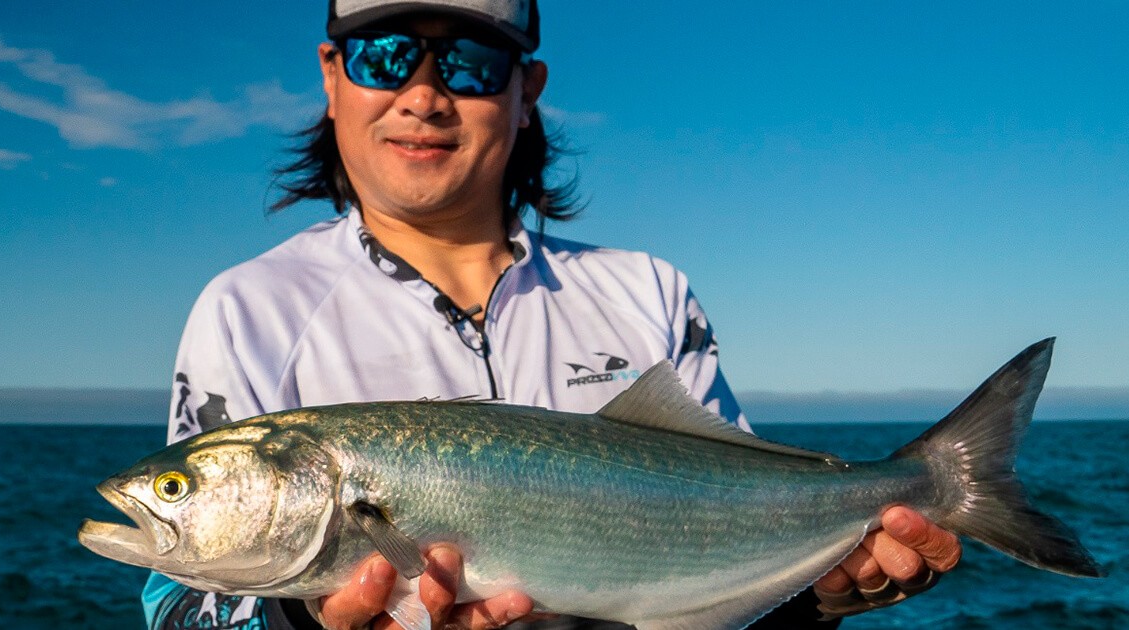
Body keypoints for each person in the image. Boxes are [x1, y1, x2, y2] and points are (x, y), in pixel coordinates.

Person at [144, 1, 962, 628]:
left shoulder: (649, 292)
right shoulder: (249, 310)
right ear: (332, 76)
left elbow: (731, 576)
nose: (423, 95)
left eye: (467, 62)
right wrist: (304, 619)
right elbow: (178, 607)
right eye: (384, 55)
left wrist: (821, 592)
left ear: (525, 90)